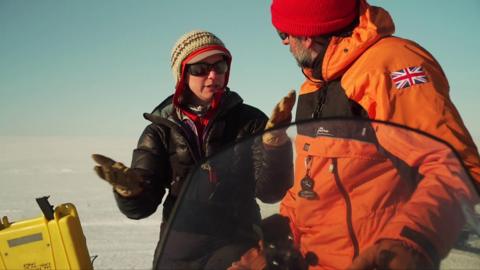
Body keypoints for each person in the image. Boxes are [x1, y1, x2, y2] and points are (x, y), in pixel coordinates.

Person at [230, 0, 480, 269]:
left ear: (308, 34)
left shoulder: (388, 64)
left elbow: (455, 167)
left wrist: (412, 243)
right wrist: (285, 224)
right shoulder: (313, 86)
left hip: (371, 261)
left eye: (284, 34)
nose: (284, 42)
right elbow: (311, 175)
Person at [92, 30, 292, 269]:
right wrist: (131, 190)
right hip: (181, 247)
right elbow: (142, 208)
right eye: (200, 68)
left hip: (239, 244)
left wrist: (275, 144)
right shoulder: (159, 131)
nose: (212, 75)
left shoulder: (249, 122)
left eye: (219, 66)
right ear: (182, 74)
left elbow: (271, 192)